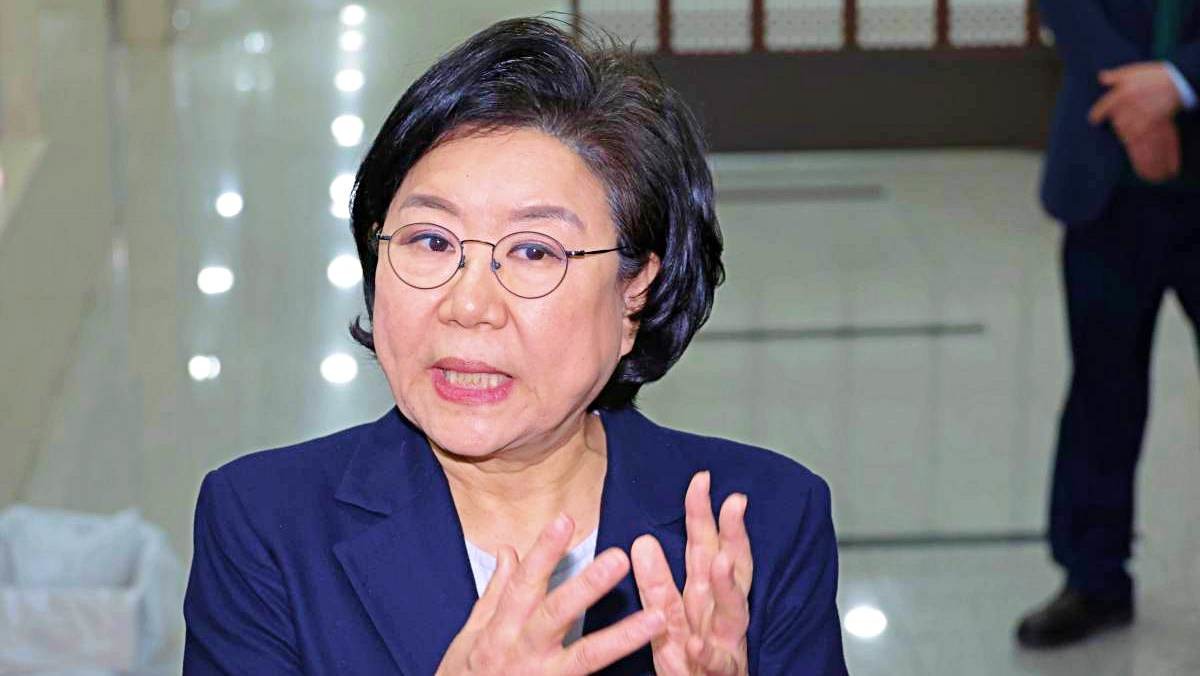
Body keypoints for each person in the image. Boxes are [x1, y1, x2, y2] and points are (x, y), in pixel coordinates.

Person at [182, 18, 847, 674]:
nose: (469, 305)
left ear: (635, 291)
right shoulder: (264, 522)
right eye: (431, 241)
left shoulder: (764, 521)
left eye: (534, 251)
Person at [1016, 0, 1200, 649]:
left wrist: (1180, 81)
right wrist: (1136, 102)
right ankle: (1093, 578)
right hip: (1107, 168)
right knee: (1103, 390)